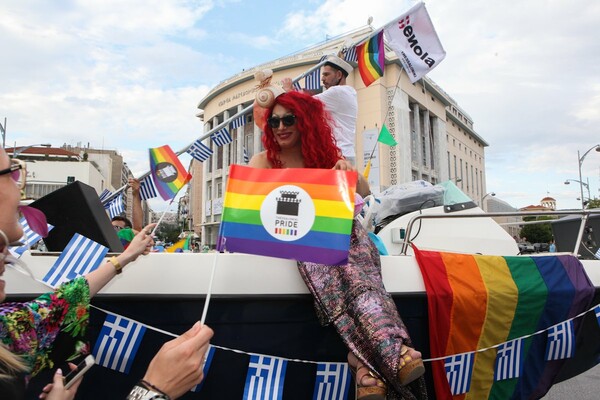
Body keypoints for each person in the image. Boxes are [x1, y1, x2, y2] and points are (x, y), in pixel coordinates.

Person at [249, 85, 426, 400]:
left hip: (345, 240)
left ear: (305, 121)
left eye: (288, 120)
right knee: (339, 269)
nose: (280, 128)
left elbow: (366, 193)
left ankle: (366, 368)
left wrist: (349, 174)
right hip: (299, 246)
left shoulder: (327, 157)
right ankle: (389, 353)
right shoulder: (263, 161)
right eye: (274, 122)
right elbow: (253, 214)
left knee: (358, 272)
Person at [0, 147, 213, 399]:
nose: (10, 258)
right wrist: (154, 390)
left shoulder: (10, 327)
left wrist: (125, 257)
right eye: (12, 173)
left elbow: (63, 301)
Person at [282, 54, 358, 164]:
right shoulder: (349, 92)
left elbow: (304, 104)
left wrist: (289, 90)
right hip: (344, 154)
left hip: (339, 156)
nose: (322, 79)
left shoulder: (337, 92)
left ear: (339, 75)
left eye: (326, 74)